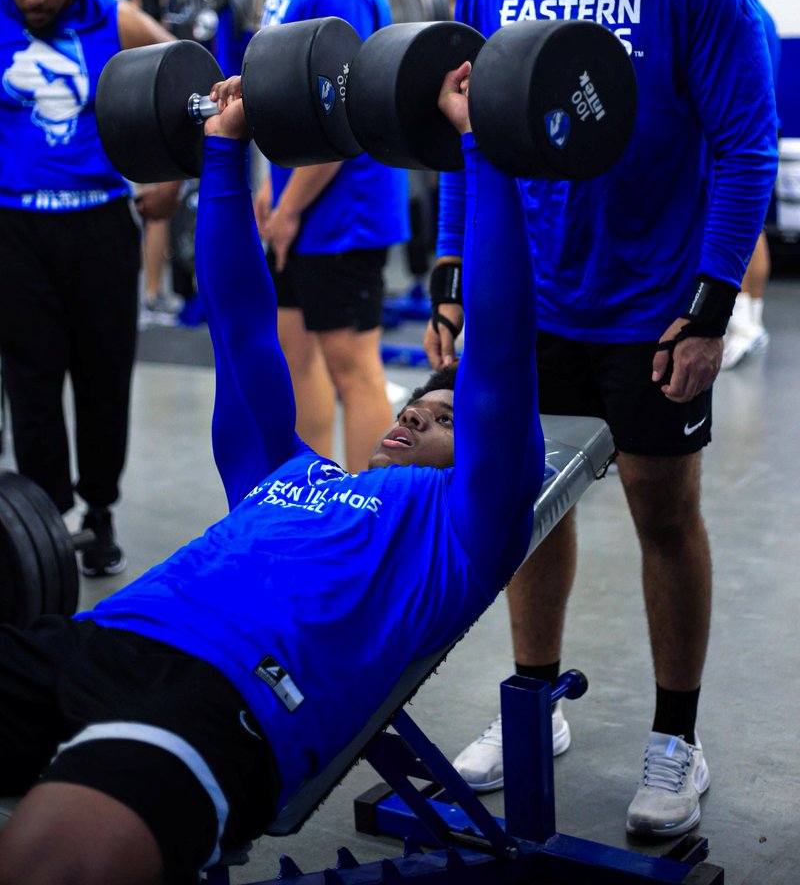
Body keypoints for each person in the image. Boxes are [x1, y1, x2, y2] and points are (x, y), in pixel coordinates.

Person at [0, 65, 545, 885]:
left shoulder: (467, 526)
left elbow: (500, 356)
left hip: (228, 698)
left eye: (443, 421)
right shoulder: (286, 470)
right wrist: (224, 152)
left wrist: (482, 146)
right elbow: (242, 329)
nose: (412, 418)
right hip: (104, 636)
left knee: (53, 856)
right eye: (414, 407)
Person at [423, 0, 778, 839]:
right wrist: (451, 270)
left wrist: (709, 308)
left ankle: (675, 739)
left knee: (661, 513)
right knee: (527, 507)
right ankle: (535, 706)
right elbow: (466, 133)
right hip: (530, 296)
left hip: (651, 301)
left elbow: (743, 144)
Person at [0, 0, 174, 574]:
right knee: (32, 380)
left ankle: (98, 512)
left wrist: (169, 171)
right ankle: (45, 522)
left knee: (103, 376)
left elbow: (190, 78)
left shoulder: (113, 17)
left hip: (100, 220)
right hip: (15, 228)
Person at [248, 0, 409, 472]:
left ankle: (368, 512)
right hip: (297, 203)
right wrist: (272, 188)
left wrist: (289, 206)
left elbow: (339, 120)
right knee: (295, 355)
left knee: (353, 368)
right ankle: (313, 496)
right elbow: (285, 95)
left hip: (343, 213)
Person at [718, 0, 782, 371]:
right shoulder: (763, 14)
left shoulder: (744, 14)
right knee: (752, 228)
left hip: (745, 137)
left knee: (748, 229)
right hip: (756, 132)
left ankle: (745, 322)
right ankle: (749, 320)